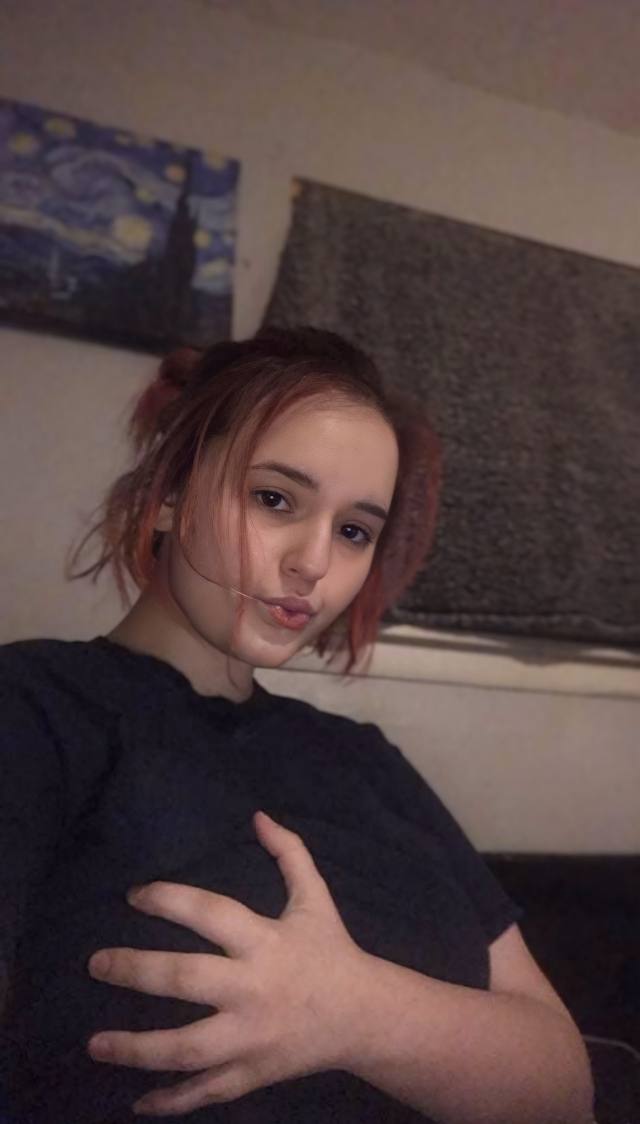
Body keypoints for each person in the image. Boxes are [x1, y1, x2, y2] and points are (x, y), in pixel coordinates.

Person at [0, 327, 593, 1124]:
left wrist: (353, 1012)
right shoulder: (33, 707)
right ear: (169, 492)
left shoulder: (366, 761)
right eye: (275, 499)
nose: (314, 563)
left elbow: (565, 1085)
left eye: (354, 531)